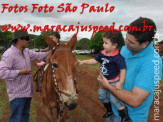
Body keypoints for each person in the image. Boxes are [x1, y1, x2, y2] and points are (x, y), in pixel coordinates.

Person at [97, 17, 162, 122]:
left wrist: (107, 86)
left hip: (131, 118)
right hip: (114, 113)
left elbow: (135, 100)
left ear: (144, 44)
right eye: (126, 38)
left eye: (131, 42)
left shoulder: (153, 63)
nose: (126, 42)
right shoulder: (125, 49)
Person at [78, 30, 131, 121]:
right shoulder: (102, 53)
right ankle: (109, 111)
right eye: (103, 42)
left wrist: (120, 82)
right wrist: (83, 61)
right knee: (101, 95)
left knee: (114, 100)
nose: (103, 45)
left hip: (114, 82)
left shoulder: (118, 57)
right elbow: (94, 61)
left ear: (114, 45)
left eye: (106, 43)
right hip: (104, 81)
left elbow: (123, 70)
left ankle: (125, 117)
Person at [0, 30, 50, 122]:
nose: (28, 41)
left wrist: (50, 52)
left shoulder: (26, 51)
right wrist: (20, 72)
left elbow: (37, 55)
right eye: (27, 38)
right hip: (17, 94)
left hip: (27, 92)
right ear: (19, 39)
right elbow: (2, 73)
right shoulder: (9, 54)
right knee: (16, 119)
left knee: (24, 117)